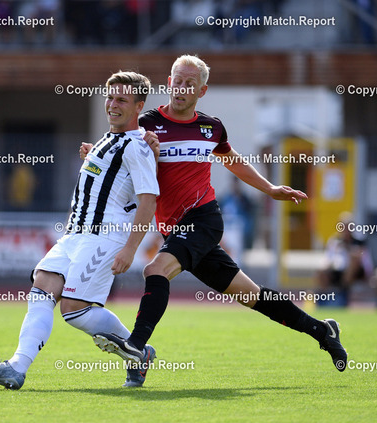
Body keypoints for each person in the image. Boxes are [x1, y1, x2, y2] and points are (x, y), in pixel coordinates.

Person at [91, 55, 347, 378]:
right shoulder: (147, 125)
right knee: (251, 296)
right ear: (168, 83)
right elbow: (123, 160)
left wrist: (270, 189)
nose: (182, 88)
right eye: (177, 81)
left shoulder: (211, 128)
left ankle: (136, 347)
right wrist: (95, 156)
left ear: (202, 91)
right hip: (174, 230)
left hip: (203, 220)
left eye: (190, 84)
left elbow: (233, 160)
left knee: (155, 269)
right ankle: (323, 331)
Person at [0, 71, 160, 389]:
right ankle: (16, 367)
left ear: (139, 106)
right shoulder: (108, 140)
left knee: (73, 310)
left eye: (122, 100)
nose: (113, 104)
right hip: (74, 235)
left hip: (104, 236)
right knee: (41, 288)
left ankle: (137, 352)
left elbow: (148, 200)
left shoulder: (137, 146)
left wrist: (130, 249)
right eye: (110, 97)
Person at [317, 211, 371, 307]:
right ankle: (323, 298)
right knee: (321, 270)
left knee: (353, 261)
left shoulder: (359, 241)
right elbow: (328, 258)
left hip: (357, 272)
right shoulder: (334, 241)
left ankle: (343, 294)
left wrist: (347, 248)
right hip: (337, 269)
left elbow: (363, 260)